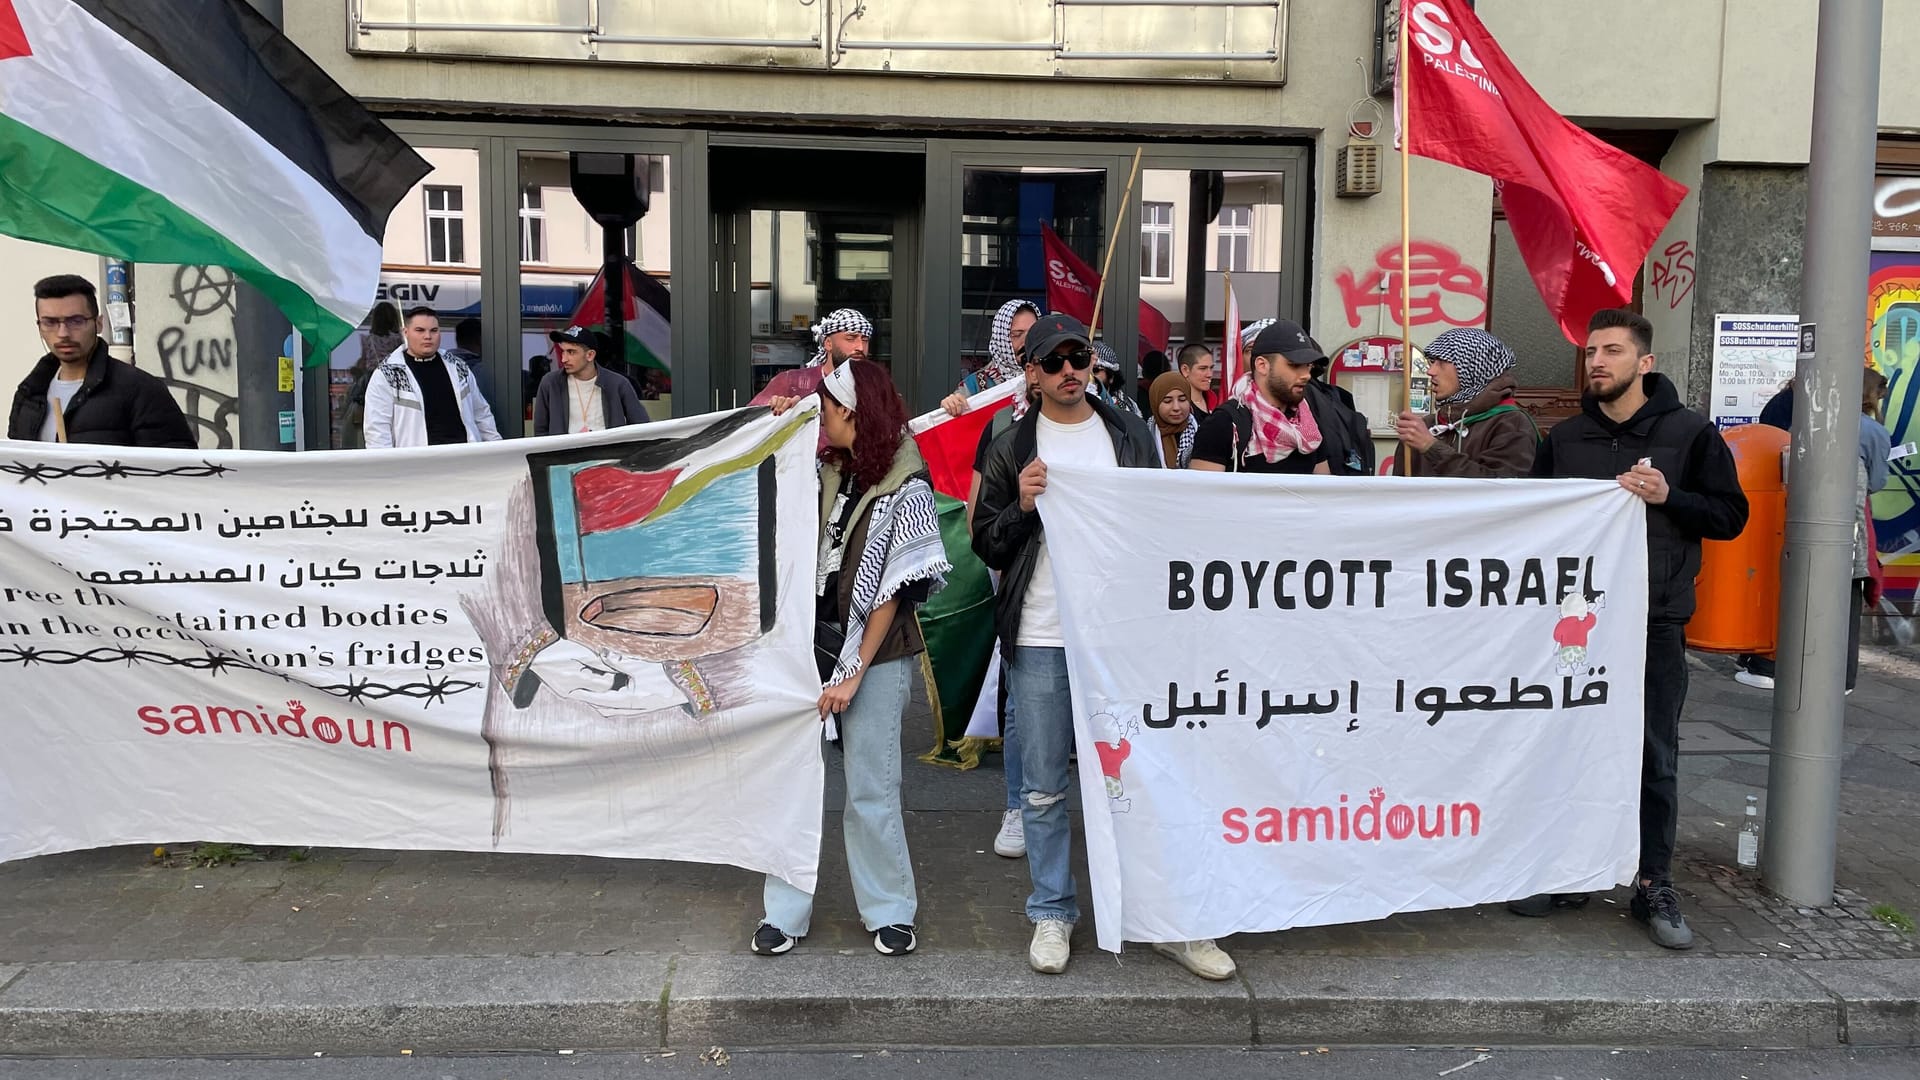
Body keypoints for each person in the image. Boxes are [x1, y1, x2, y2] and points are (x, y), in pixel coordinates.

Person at [972, 313, 1235, 981]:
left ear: (1092, 363)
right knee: (1042, 788)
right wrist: (1023, 506)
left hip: (1123, 641)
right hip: (1041, 638)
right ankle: (1053, 911)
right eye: (1053, 360)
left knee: (1149, 779)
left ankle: (1173, 920)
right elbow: (985, 542)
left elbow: (1156, 525)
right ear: (1030, 372)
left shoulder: (1124, 433)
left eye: (1078, 356)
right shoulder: (1009, 442)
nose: (1068, 370)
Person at [1518, 308, 1748, 950]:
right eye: (1591, 351)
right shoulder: (1563, 440)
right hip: (1573, 628)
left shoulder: (1691, 434)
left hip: (1653, 620)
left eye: (1612, 351)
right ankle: (1573, 867)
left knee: (1653, 754)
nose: (1597, 362)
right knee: (1567, 744)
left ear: (1644, 362)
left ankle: (1653, 882)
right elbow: (1530, 522)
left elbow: (1730, 516)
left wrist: (1668, 496)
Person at [753, 360, 948, 958]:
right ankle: (783, 914)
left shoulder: (907, 485)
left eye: (828, 409)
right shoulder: (825, 470)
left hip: (877, 655)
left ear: (853, 415)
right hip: (805, 650)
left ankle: (890, 910)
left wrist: (852, 672)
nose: (823, 418)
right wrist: (777, 426)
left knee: (872, 788)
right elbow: (766, 486)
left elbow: (891, 591)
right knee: (792, 784)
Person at [938, 298, 1044, 860]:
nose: (1029, 343)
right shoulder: (992, 405)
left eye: (1039, 334)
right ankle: (1018, 804)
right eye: (1021, 334)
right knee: (1021, 686)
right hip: (1016, 565)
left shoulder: (1103, 418)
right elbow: (981, 502)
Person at [1736, 368, 1893, 692]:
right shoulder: (1872, 431)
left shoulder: (1806, 422)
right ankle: (1842, 677)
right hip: (1849, 527)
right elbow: (1877, 482)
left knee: (1793, 590)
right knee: (1845, 597)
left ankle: (1771, 663)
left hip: (1795, 518)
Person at [9, 274, 193, 447]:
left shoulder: (140, 390)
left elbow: (176, 470)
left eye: (76, 321)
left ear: (98, 323)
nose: (63, 333)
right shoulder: (29, 394)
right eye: (50, 322)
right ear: (39, 327)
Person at [1188, 320, 1332, 476]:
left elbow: (1322, 492)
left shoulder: (1307, 423)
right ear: (1262, 365)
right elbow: (1202, 495)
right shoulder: (1224, 423)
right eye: (1295, 365)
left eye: (1308, 366)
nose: (1306, 375)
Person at [1393, 328, 1537, 478]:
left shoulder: (1511, 424)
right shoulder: (1425, 426)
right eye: (1432, 362)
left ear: (1471, 366)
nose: (1430, 371)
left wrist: (1431, 447)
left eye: (1441, 362)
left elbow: (1499, 490)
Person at [362, 306, 503, 449]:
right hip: (418, 465)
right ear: (406, 333)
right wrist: (387, 469)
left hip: (464, 460)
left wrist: (498, 451)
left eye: (434, 330)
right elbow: (377, 431)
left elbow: (482, 414)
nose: (427, 336)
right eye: (420, 330)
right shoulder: (387, 374)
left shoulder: (457, 366)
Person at [531, 326, 650, 437]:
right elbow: (541, 431)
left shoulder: (617, 383)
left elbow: (640, 425)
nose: (564, 359)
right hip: (565, 457)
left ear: (590, 355)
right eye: (563, 351)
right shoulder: (551, 383)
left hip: (607, 457)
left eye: (571, 352)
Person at [940, 299, 1041, 417]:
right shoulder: (975, 385)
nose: (1026, 342)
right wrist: (950, 407)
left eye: (1033, 333)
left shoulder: (1051, 376)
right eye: (1017, 335)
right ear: (1001, 339)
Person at [753, 308, 871, 408]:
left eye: (865, 340)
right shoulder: (791, 381)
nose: (860, 347)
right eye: (851, 338)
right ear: (828, 344)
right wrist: (776, 408)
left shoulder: (874, 386)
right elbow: (750, 421)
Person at [341, 302, 405, 449]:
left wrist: (355, 370)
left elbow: (363, 364)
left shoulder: (368, 339)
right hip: (396, 384)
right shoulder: (400, 340)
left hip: (371, 383)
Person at [1149, 371, 1198, 469]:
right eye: (1167, 401)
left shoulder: (1201, 435)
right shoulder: (1144, 437)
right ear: (1155, 403)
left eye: (1182, 399)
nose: (1176, 407)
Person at [1089, 340, 1143, 420]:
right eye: (1085, 369)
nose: (1089, 375)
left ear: (1111, 377)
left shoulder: (1127, 407)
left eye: (1095, 370)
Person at [1176, 344, 1216, 419]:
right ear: (1185, 370)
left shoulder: (1216, 401)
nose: (1209, 374)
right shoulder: (1176, 406)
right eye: (1203, 368)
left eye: (1211, 368)